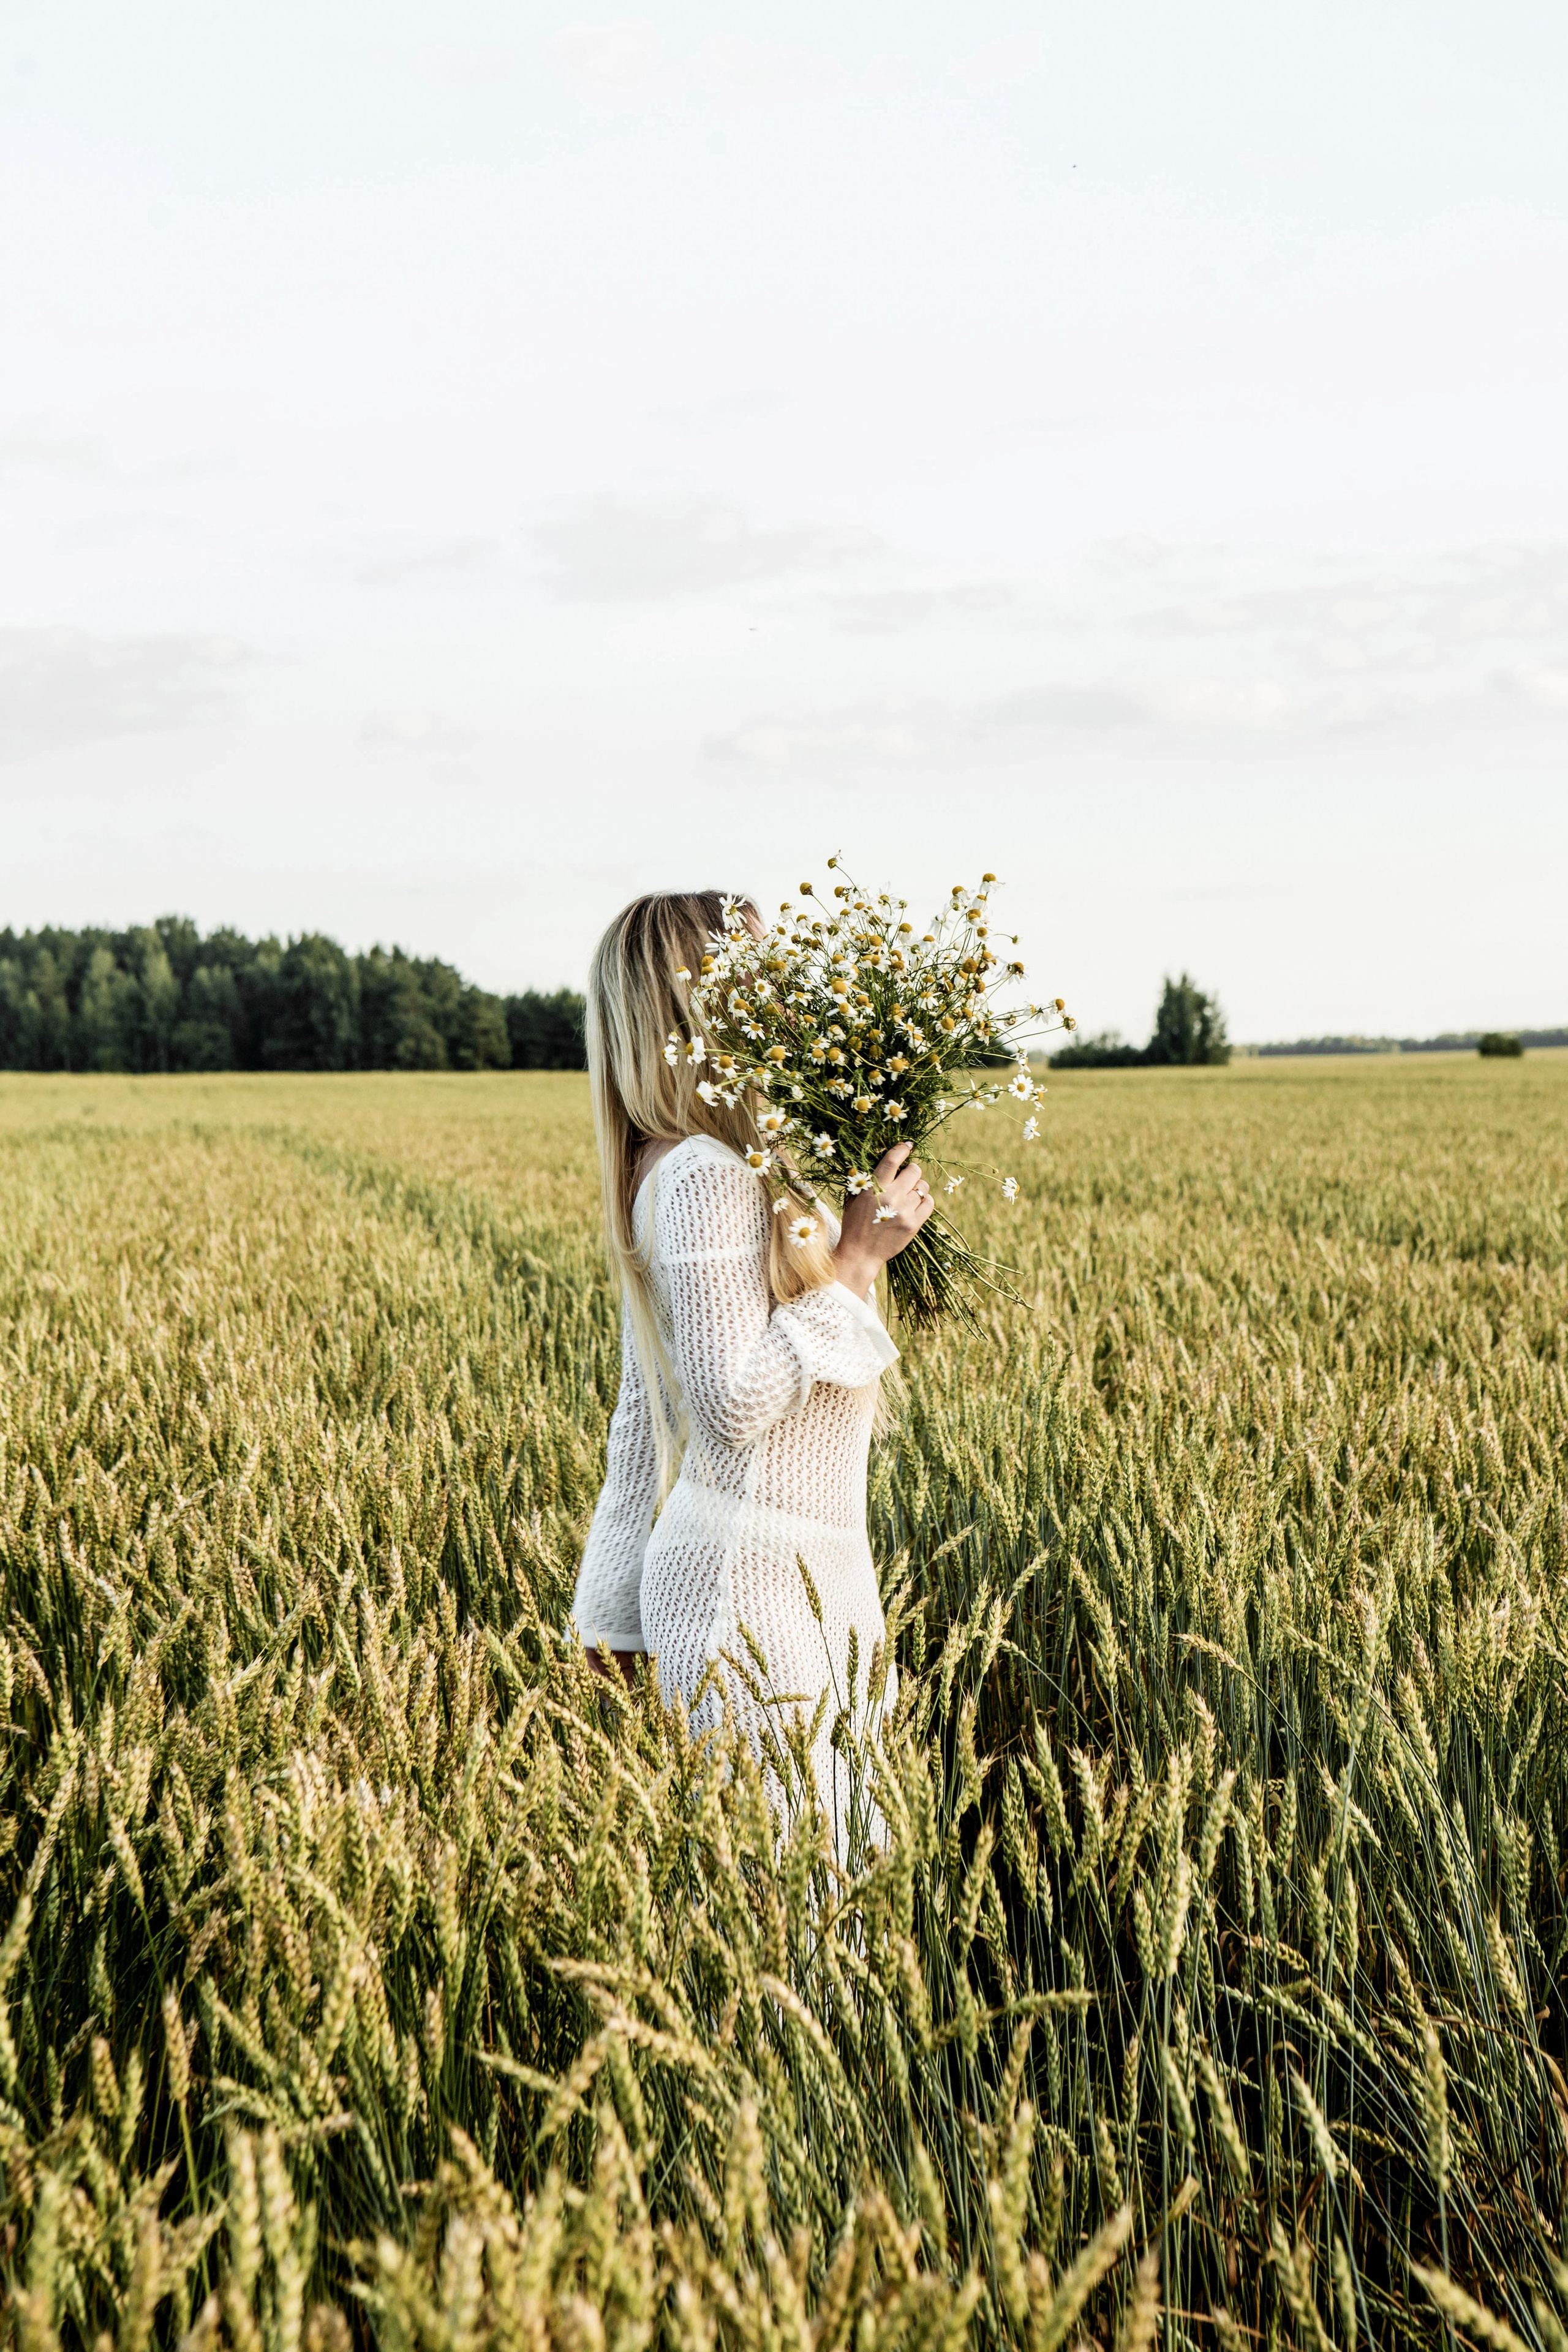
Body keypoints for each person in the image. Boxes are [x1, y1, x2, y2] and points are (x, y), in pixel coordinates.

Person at [568, 889, 933, 1848]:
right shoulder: (704, 1177)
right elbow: (730, 1404)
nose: (786, 1007)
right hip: (750, 1588)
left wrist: (607, 1621)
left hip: (806, 1579)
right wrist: (855, 1267)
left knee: (836, 1906)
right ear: (705, 1004)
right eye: (762, 982)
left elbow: (638, 1421)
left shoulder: (687, 1170)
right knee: (813, 1913)